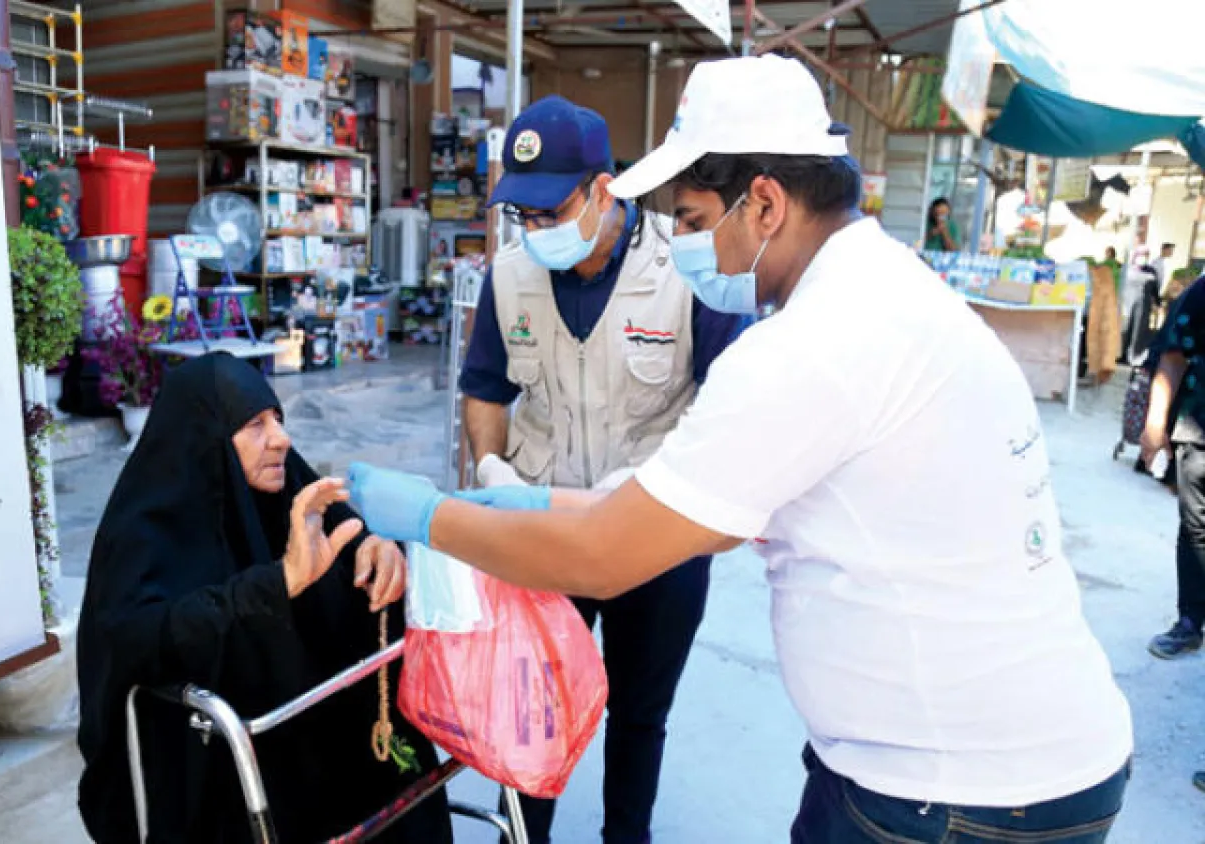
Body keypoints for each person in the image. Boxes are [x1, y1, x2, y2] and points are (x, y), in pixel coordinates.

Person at [348, 55, 1133, 842]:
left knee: (638, 712)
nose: (686, 246)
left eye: (690, 220)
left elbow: (602, 555)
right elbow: (721, 510)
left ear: (763, 203)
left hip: (952, 791)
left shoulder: (814, 343)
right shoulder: (882, 289)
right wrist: (536, 497)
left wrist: (432, 517)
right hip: (970, 762)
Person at [460, 94, 741, 844]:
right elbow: (484, 387)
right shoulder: (510, 275)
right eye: (524, 215)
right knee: (532, 709)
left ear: (604, 188)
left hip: (655, 529)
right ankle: (526, 837)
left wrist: (659, 487)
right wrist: (492, 470)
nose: (537, 230)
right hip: (543, 530)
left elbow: (732, 403)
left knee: (640, 714)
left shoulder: (686, 265)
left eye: (552, 211)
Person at [75, 354, 451, 844]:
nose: (280, 438)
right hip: (220, 780)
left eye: (278, 419)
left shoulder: (288, 489)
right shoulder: (145, 532)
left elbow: (345, 540)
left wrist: (378, 549)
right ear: (208, 436)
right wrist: (278, 585)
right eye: (254, 424)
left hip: (323, 749)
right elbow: (136, 641)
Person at [1141, 271, 1205, 659]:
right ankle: (1190, 623)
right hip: (1201, 426)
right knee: (1196, 528)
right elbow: (1172, 355)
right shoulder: (1203, 290)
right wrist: (1154, 420)